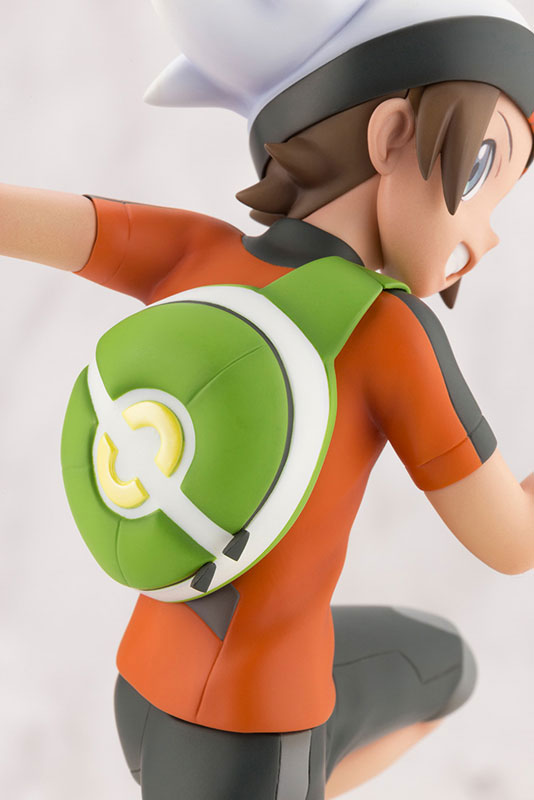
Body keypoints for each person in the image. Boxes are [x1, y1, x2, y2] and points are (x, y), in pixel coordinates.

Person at [2, 1, 534, 797]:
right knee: (442, 672)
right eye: (483, 172)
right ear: (393, 136)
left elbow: (23, 220)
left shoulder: (195, 250)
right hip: (253, 733)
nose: (486, 236)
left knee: (440, 664)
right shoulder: (389, 332)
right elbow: (512, 541)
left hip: (140, 687)